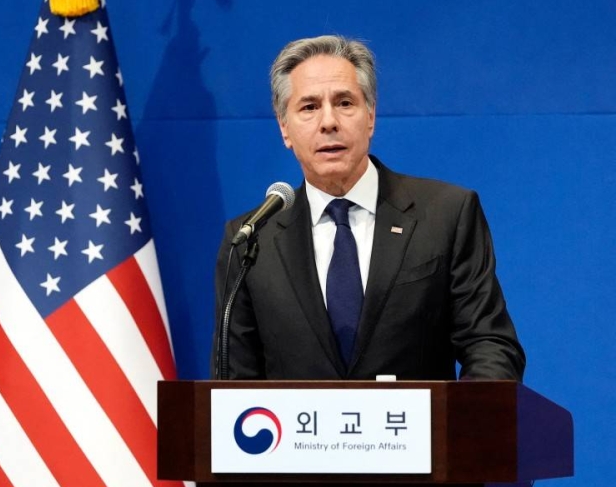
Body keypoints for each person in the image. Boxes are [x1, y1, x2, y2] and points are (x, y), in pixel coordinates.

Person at [213, 35, 525, 381]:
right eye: (309, 107)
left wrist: (460, 429)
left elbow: (490, 345)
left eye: (345, 103)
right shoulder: (250, 239)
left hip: (421, 434)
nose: (328, 122)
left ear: (371, 116)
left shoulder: (446, 214)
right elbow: (234, 382)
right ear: (284, 128)